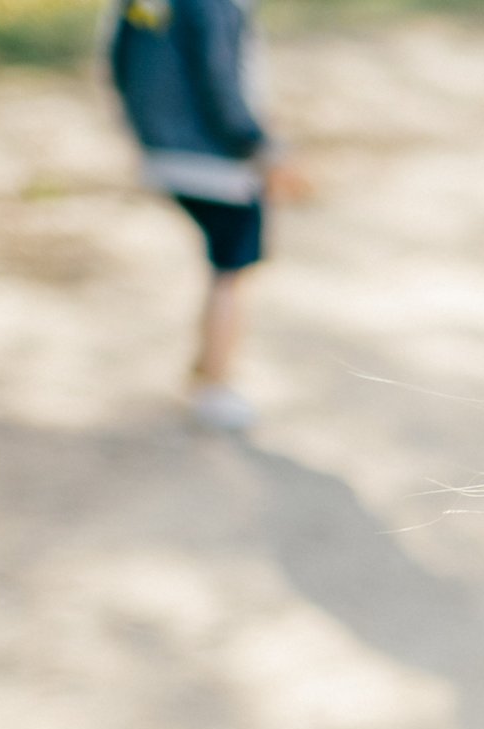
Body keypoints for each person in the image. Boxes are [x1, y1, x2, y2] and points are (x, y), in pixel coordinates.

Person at [108, 0, 295, 432]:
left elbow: (118, 62)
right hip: (217, 162)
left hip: (161, 149)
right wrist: (262, 150)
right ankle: (215, 385)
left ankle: (205, 367)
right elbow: (221, 82)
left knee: (223, 262)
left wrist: (144, 133)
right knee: (231, 269)